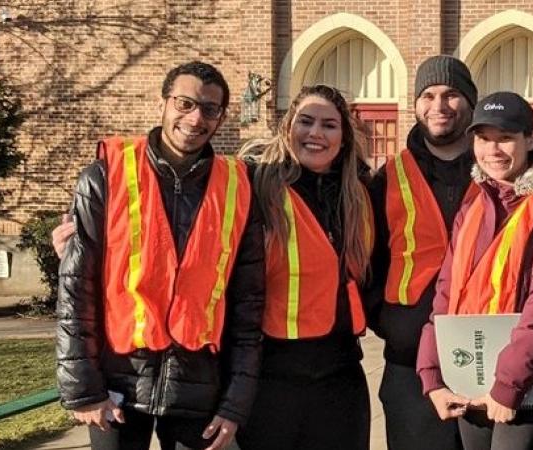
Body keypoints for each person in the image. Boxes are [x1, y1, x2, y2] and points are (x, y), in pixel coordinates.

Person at [56, 61, 264, 450]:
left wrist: (235, 405)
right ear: (164, 104)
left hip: (198, 385)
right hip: (116, 381)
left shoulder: (238, 188)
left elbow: (247, 305)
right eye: (184, 103)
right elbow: (76, 289)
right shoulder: (105, 176)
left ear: (220, 118)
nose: (195, 118)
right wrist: (83, 388)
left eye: (209, 109)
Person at [417, 91, 533, 450]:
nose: (492, 150)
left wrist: (508, 384)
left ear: (530, 140)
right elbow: (447, 294)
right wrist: (433, 376)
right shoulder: (475, 203)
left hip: (531, 380)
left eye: (505, 138)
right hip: (470, 370)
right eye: (483, 139)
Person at [233, 84, 378, 450]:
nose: (315, 133)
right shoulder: (251, 185)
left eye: (329, 125)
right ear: (287, 128)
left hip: (340, 372)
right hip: (272, 375)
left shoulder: (361, 193)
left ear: (343, 138)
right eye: (306, 122)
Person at [366, 55, 478, 450]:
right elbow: (368, 259)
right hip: (409, 362)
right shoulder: (387, 178)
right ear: (415, 104)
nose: (439, 106)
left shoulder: (499, 172)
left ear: (471, 102)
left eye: (451, 95)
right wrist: (391, 320)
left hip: (485, 357)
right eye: (428, 95)